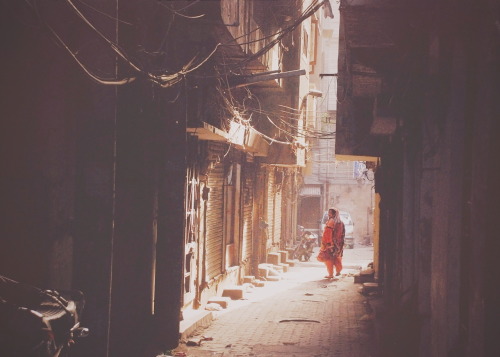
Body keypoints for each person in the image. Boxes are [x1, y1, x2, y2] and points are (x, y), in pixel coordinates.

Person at [319, 208, 345, 278]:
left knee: (329, 259)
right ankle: (338, 271)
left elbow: (327, 234)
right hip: (338, 245)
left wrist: (327, 243)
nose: (328, 214)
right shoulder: (341, 222)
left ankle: (330, 274)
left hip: (330, 244)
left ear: (333, 214)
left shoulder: (331, 221)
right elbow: (342, 235)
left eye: (330, 213)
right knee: (337, 258)